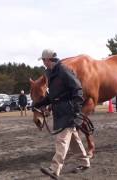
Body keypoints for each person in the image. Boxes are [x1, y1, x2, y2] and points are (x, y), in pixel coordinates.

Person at [33, 49, 90, 179]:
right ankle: (84, 162)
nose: (43, 63)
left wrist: (76, 109)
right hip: (60, 110)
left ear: (48, 59)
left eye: (43, 60)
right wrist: (40, 103)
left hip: (68, 110)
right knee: (74, 140)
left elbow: (77, 89)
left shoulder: (63, 70)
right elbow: (53, 96)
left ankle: (54, 168)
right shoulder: (51, 73)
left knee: (62, 140)